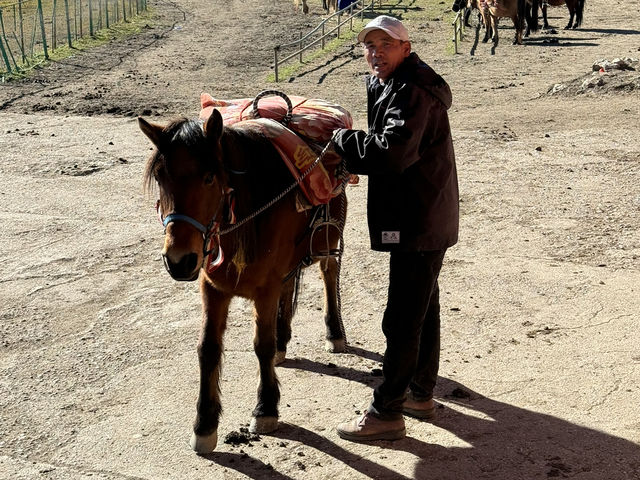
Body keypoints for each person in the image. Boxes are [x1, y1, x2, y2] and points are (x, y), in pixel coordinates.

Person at [331, 15, 459, 442]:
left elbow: (391, 152)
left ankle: (386, 410)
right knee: (424, 306)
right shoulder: (392, 82)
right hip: (420, 212)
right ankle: (419, 392)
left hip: (417, 217)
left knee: (403, 317)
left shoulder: (413, 89)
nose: (376, 53)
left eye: (385, 45)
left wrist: (343, 143)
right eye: (369, 46)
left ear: (406, 47)